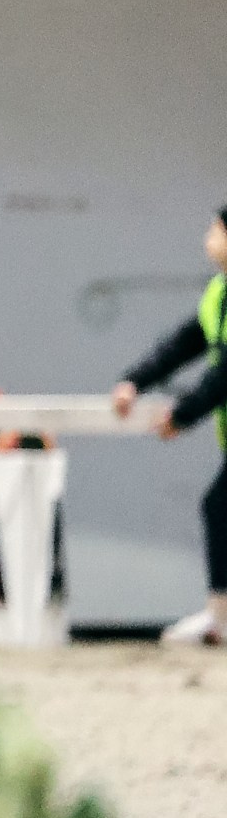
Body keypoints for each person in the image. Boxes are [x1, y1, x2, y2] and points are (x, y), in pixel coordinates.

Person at [111, 208, 227, 645]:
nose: (208, 236)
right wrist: (135, 381)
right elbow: (185, 343)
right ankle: (220, 617)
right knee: (219, 507)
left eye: (216, 229)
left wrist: (183, 414)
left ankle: (220, 618)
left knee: (219, 506)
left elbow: (226, 372)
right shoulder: (219, 292)